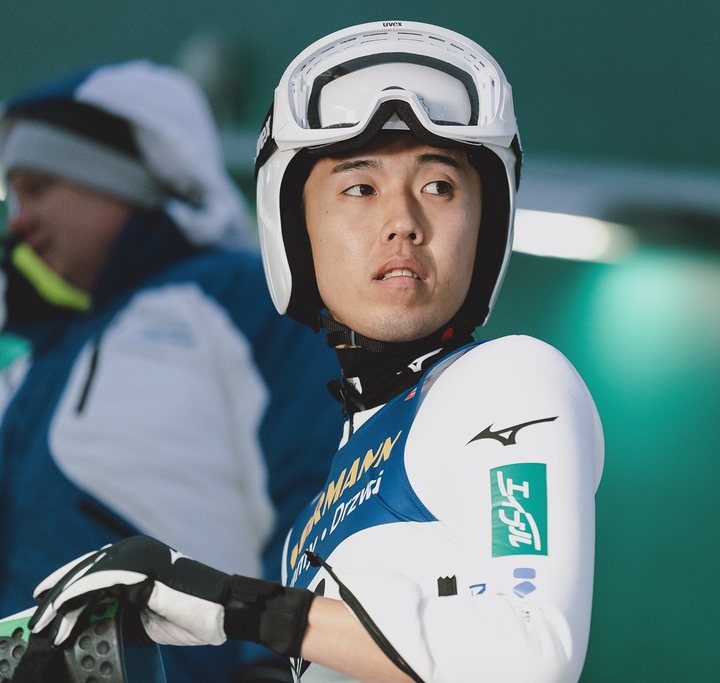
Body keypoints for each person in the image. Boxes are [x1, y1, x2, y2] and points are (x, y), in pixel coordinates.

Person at [23, 21, 605, 683]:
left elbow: (531, 652)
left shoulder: (508, 379)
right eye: (360, 188)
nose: (403, 222)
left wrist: (239, 606)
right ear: (297, 234)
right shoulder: (314, 518)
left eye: (440, 186)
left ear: (486, 223)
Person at [0, 61, 343, 682]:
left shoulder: (250, 298)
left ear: (122, 182)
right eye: (14, 197)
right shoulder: (37, 355)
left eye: (40, 187)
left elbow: (325, 481)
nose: (18, 221)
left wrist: (280, 663)